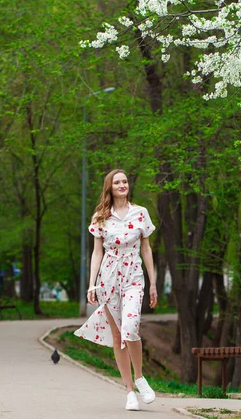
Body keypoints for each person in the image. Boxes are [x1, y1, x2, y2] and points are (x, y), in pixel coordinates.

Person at [74, 169, 158, 411]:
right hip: (108, 279)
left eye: (125, 181)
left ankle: (140, 377)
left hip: (133, 276)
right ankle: (129, 390)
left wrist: (152, 283)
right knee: (118, 336)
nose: (122, 185)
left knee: (131, 328)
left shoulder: (140, 213)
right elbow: (96, 252)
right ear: (109, 187)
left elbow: (146, 250)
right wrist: (92, 283)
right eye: (117, 182)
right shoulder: (100, 217)